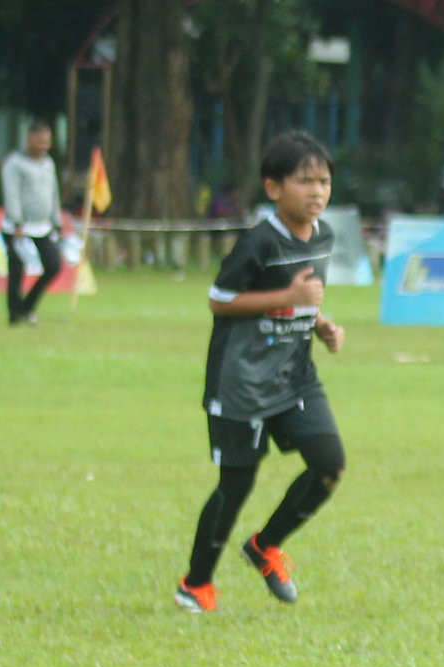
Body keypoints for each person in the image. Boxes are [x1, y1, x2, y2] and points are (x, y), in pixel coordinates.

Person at [174, 132, 346, 613]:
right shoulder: (258, 241)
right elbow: (220, 300)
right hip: (241, 382)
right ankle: (196, 584)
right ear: (273, 188)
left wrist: (321, 325)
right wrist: (286, 299)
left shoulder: (324, 235)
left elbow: (301, 301)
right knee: (237, 484)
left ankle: (265, 546)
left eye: (324, 181)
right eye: (304, 181)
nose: (316, 192)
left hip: (294, 376)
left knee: (329, 465)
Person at [0, 120, 63, 327]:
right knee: (17, 270)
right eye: (40, 141)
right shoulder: (15, 163)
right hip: (18, 227)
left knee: (53, 265)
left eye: (47, 142)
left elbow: (53, 193)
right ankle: (15, 314)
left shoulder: (48, 163)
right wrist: (17, 221)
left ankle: (28, 306)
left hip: (42, 226)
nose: (44, 146)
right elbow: (12, 193)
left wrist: (57, 220)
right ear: (30, 138)